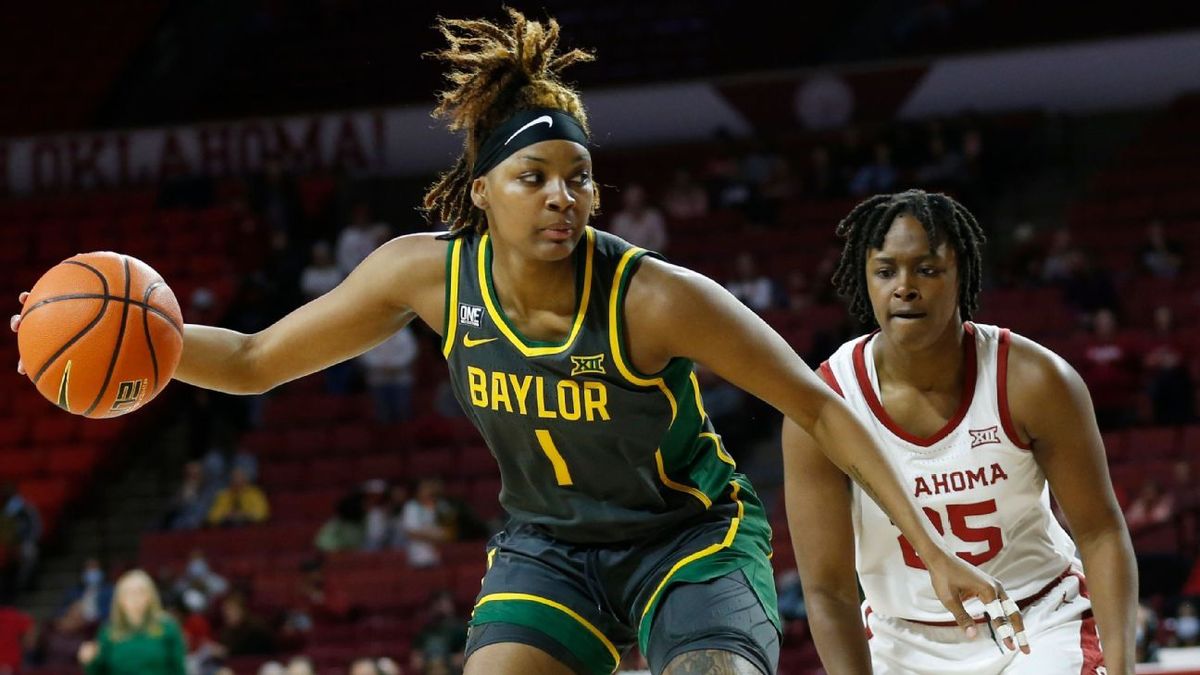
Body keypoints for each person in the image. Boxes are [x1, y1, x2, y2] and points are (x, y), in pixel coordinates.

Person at [13, 11, 1021, 675]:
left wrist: (927, 547)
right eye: (534, 175)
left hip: (690, 541)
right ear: (482, 189)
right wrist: (129, 341)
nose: (562, 196)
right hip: (551, 547)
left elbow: (818, 407)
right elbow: (251, 360)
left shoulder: (653, 297)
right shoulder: (427, 275)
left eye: (578, 177)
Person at [782, 190, 1136, 674]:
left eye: (927, 270)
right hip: (900, 638)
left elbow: (1100, 532)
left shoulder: (1034, 380)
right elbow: (828, 591)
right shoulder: (827, 402)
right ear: (864, 281)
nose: (904, 287)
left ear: (961, 274)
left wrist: (1121, 667)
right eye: (886, 271)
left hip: (1036, 620)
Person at [77, 569, 187, 675]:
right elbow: (98, 672)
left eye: (141, 591)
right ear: (119, 599)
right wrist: (90, 661)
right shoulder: (108, 632)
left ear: (150, 596)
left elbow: (179, 669)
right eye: (129, 592)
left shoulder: (168, 628)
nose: (135, 597)